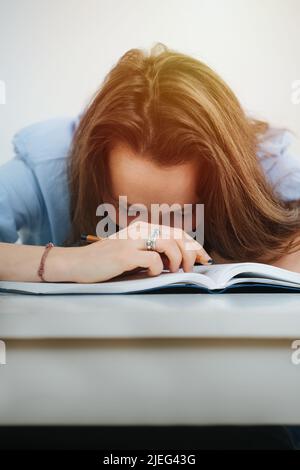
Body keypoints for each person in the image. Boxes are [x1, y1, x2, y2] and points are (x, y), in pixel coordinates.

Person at [1, 42, 300, 283]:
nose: (156, 238)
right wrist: (72, 262)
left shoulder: (263, 163)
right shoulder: (48, 163)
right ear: (96, 173)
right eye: (128, 210)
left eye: (180, 213)